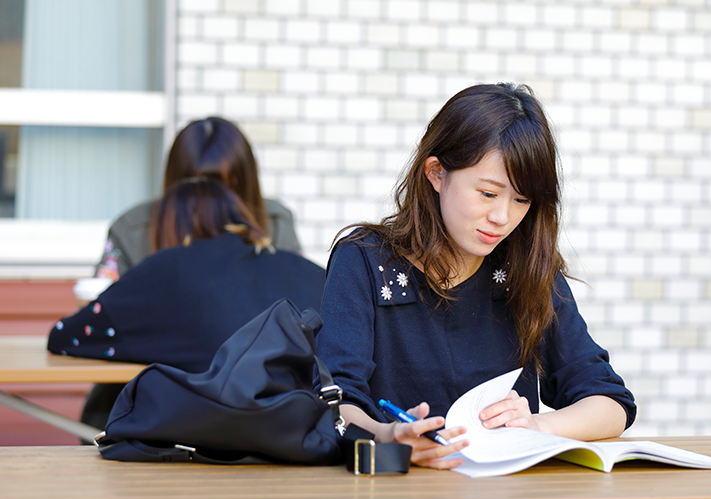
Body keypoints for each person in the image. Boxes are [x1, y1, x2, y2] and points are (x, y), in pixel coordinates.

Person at [316, 83, 636, 469]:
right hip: (396, 493)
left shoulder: (525, 268)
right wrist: (389, 437)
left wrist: (537, 425)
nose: (503, 217)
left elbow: (611, 404)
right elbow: (335, 402)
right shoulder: (366, 261)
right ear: (436, 173)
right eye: (487, 193)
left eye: (521, 200)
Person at [50, 179, 325, 428]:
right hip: (299, 438)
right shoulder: (303, 270)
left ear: (171, 224)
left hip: (192, 441)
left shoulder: (165, 269)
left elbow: (65, 336)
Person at [95, 116, 301, 282]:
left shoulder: (276, 224)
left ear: (246, 186)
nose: (214, 205)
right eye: (197, 193)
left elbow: (301, 307)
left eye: (226, 190)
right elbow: (101, 310)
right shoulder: (133, 231)